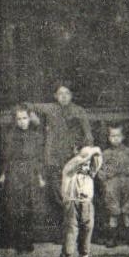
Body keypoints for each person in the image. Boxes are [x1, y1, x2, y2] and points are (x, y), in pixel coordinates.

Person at [46, 145, 103, 257]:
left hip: (87, 207)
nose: (86, 165)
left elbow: (98, 157)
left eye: (88, 163)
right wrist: (87, 153)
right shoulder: (69, 170)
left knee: (85, 247)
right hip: (72, 207)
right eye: (84, 161)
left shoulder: (90, 173)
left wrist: (93, 152)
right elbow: (80, 159)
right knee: (68, 247)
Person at [43, 84, 92, 225]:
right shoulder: (51, 109)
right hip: (54, 156)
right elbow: (31, 107)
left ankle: (74, 222)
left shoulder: (78, 111)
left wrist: (85, 151)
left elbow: (88, 134)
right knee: (57, 189)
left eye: (67, 93)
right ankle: (61, 223)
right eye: (60, 93)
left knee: (74, 189)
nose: (64, 97)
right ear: (55, 96)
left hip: (72, 156)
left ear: (71, 95)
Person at [0, 106, 45, 252]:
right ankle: (17, 242)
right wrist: (3, 174)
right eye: (19, 119)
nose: (22, 122)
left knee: (29, 206)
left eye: (24, 118)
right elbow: (7, 157)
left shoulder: (35, 136)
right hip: (15, 172)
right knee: (15, 207)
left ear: (29, 119)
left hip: (30, 173)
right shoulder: (10, 136)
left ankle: (28, 241)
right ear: (15, 120)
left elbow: (38, 157)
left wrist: (40, 176)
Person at [98, 123, 129, 245]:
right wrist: (105, 181)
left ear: (123, 137)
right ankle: (112, 238)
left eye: (118, 136)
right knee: (113, 211)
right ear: (108, 138)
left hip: (128, 183)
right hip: (112, 184)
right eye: (112, 136)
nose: (115, 139)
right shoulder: (105, 154)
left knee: (128, 210)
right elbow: (100, 170)